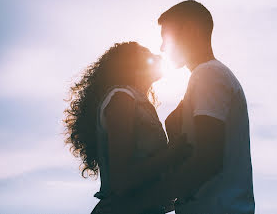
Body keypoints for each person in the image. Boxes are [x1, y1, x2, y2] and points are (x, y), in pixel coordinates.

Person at [95, 0, 255, 214]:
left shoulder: (208, 74)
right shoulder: (205, 78)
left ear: (189, 30)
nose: (162, 47)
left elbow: (207, 161)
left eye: (165, 37)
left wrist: (136, 204)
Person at [64, 42, 191, 214]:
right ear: (131, 65)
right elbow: (121, 181)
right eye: (147, 54)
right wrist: (172, 153)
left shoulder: (136, 101)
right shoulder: (122, 99)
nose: (159, 57)